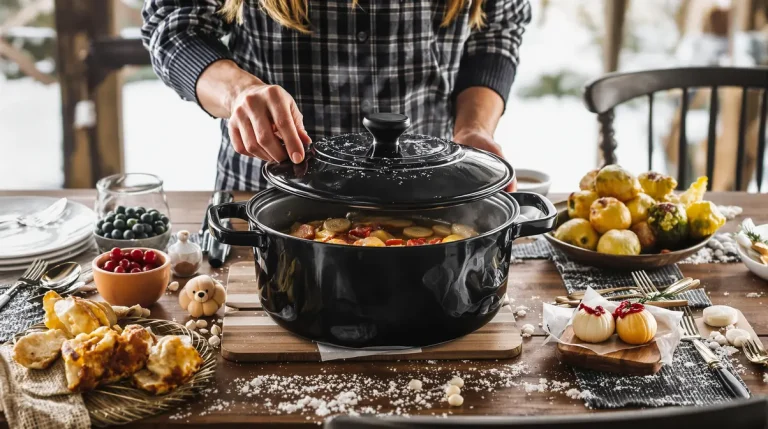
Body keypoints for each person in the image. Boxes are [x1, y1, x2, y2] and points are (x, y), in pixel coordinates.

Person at [142, 0, 531, 191]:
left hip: (424, 197)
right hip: (265, 198)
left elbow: (496, 30)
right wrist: (239, 92)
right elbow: (172, 25)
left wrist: (473, 127)